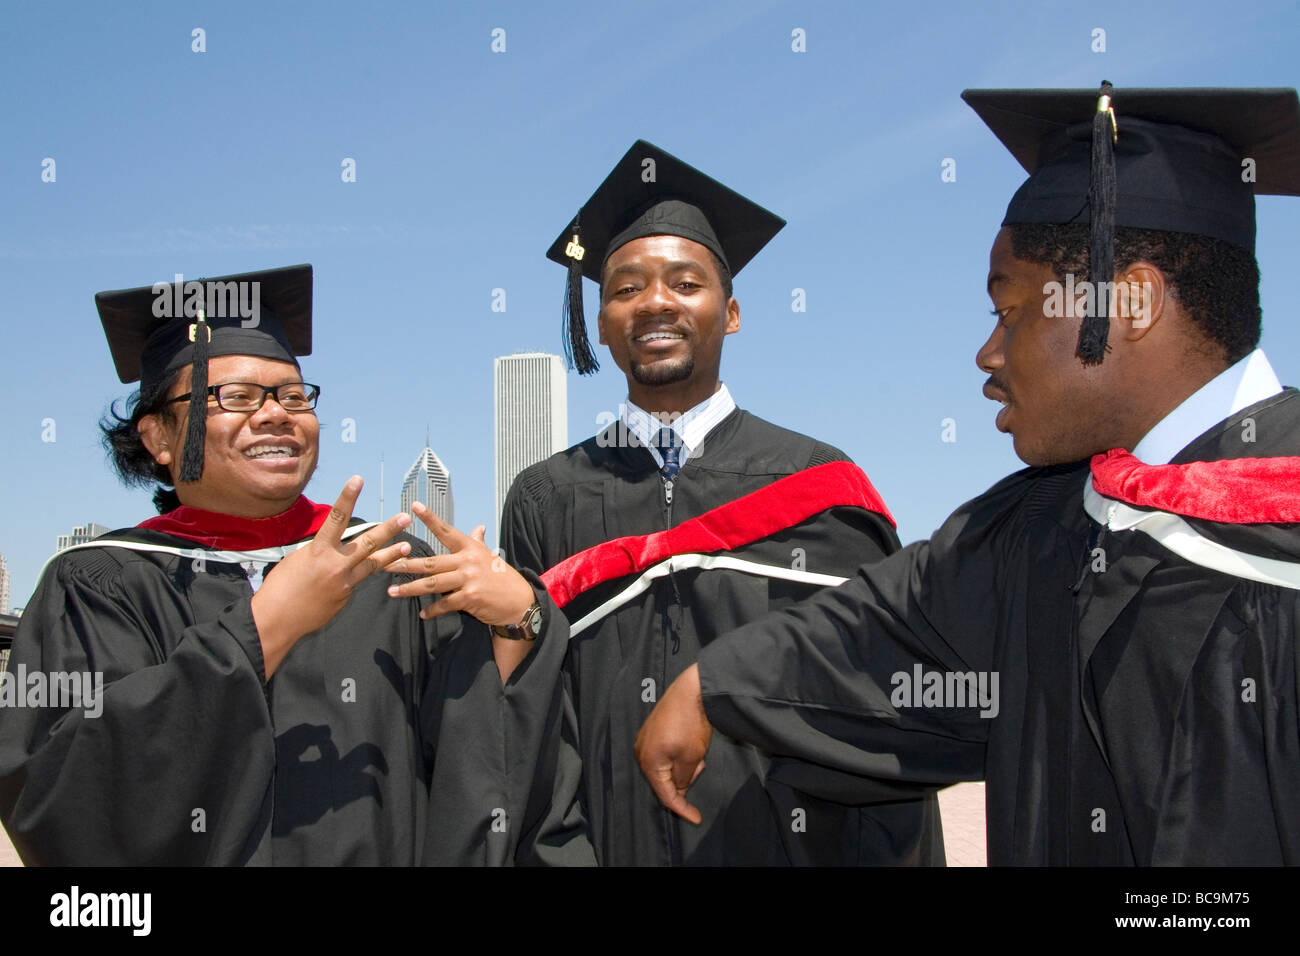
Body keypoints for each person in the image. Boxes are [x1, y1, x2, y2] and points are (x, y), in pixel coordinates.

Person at [636, 85, 1300, 865]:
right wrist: (714, 683)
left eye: (1009, 310)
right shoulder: (1041, 526)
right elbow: (887, 632)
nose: (988, 356)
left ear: (1128, 301)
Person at [0, 264, 590, 865]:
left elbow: (485, 761)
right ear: (159, 438)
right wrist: (266, 628)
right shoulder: (100, 583)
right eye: (235, 396)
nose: (276, 413)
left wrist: (519, 622)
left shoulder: (388, 565)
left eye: (291, 395)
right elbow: (63, 798)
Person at [474, 141, 944, 865]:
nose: (655, 302)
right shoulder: (545, 496)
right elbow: (531, 714)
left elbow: (875, 712)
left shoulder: (819, 486)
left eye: (685, 283)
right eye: (625, 288)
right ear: (600, 322)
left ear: (730, 313)